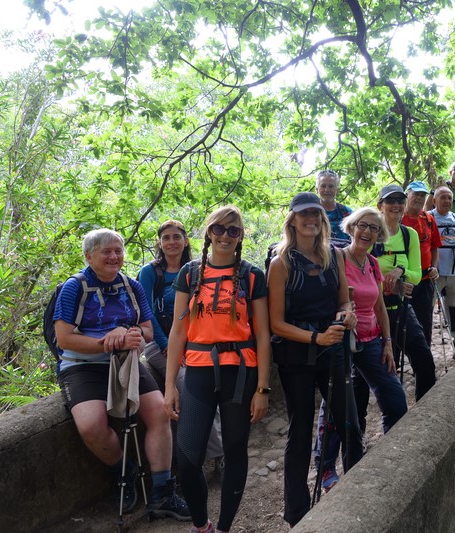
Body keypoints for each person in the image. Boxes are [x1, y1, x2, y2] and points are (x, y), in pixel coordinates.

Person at [53, 228, 189, 521]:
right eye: (106, 252)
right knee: (91, 426)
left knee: (159, 412)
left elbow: (149, 330)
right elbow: (64, 338)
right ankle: (124, 473)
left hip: (126, 362)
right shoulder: (74, 287)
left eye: (118, 250)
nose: (114, 257)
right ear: (89, 256)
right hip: (82, 366)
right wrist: (107, 341)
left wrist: (131, 333)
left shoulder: (131, 285)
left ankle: (162, 492)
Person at [165, 205, 271, 533]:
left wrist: (263, 389)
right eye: (220, 229)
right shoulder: (190, 274)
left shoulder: (252, 276)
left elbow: (263, 334)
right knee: (186, 458)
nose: (225, 236)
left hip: (240, 372)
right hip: (197, 370)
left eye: (233, 231)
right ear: (209, 232)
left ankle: (224, 528)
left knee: (235, 453)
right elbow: (178, 332)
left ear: (240, 237)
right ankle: (202, 526)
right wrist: (169, 385)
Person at [268, 192, 364, 527]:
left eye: (315, 214)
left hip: (332, 348)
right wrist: (315, 337)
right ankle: (297, 513)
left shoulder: (333, 256)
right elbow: (275, 322)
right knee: (300, 431)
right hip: (297, 357)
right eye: (303, 214)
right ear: (292, 220)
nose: (310, 218)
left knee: (350, 423)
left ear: (322, 219)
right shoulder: (280, 264)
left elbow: (344, 301)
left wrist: (347, 315)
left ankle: (359, 495)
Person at [312, 207, 409, 491]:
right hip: (340, 340)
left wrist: (388, 343)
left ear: (380, 235)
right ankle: (326, 467)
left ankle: (389, 456)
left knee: (395, 399)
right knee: (335, 405)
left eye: (374, 228)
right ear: (351, 227)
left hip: (370, 341)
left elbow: (379, 305)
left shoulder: (373, 264)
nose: (367, 232)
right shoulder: (337, 257)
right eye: (362, 226)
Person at [139, 220, 225, 479]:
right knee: (190, 384)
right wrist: (168, 345)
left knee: (212, 384)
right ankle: (211, 455)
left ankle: (215, 455)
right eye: (166, 238)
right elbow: (146, 312)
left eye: (176, 236)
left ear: (186, 240)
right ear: (159, 243)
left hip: (198, 341)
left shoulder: (197, 269)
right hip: (160, 343)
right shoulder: (150, 273)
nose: (171, 242)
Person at [376, 184, 437, 399]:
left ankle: (425, 412)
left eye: (400, 201)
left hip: (400, 308)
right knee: (367, 376)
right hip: (371, 314)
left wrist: (400, 272)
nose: (396, 205)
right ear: (380, 206)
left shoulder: (408, 235)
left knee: (425, 361)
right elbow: (358, 275)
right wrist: (387, 283)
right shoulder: (368, 233)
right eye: (390, 201)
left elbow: (416, 275)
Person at [429, 187, 455, 358]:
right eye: (443, 197)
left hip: (454, 270)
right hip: (433, 272)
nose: (447, 201)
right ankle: (424, 346)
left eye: (449, 198)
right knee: (427, 309)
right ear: (434, 200)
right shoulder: (428, 218)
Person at [401, 180, 441, 345]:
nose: (419, 198)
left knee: (425, 323)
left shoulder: (429, 219)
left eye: (422, 195)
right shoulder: (397, 218)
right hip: (402, 283)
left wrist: (434, 267)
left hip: (425, 281)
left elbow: (434, 248)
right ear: (407, 195)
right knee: (402, 325)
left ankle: (423, 364)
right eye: (416, 194)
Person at [315, 169, 353, 242]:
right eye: (323, 186)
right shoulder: (311, 212)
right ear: (316, 189)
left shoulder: (347, 213)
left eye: (331, 186)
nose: (327, 190)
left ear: (337, 190)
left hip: (344, 251)